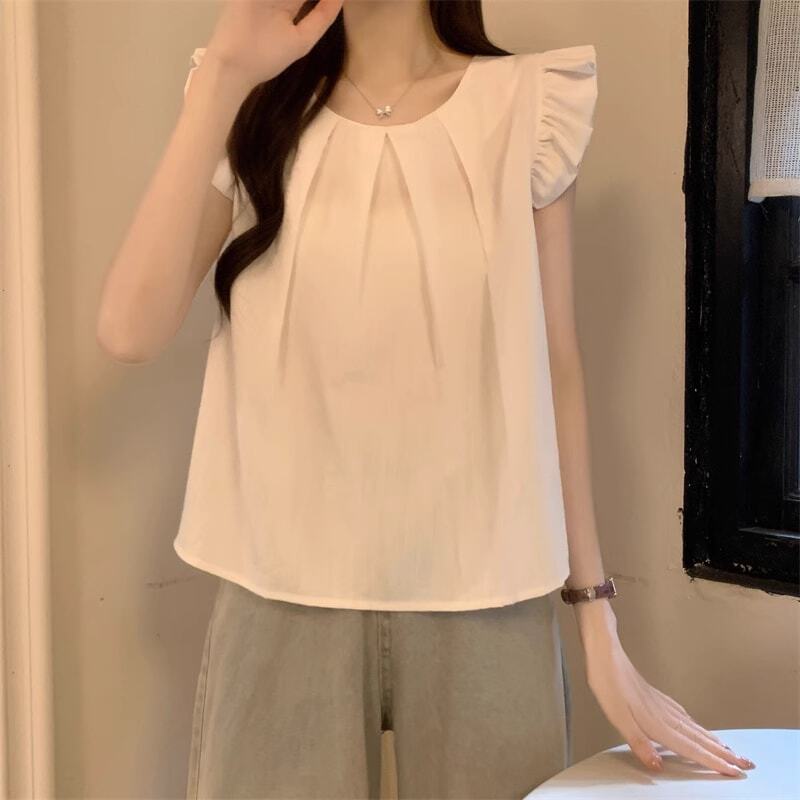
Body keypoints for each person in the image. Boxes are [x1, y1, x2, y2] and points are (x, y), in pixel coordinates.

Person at [96, 0, 756, 797]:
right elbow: (128, 329)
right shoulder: (252, 104)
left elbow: (557, 365)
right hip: (276, 592)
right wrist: (224, 74)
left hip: (488, 600)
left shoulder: (529, 106)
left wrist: (598, 621)